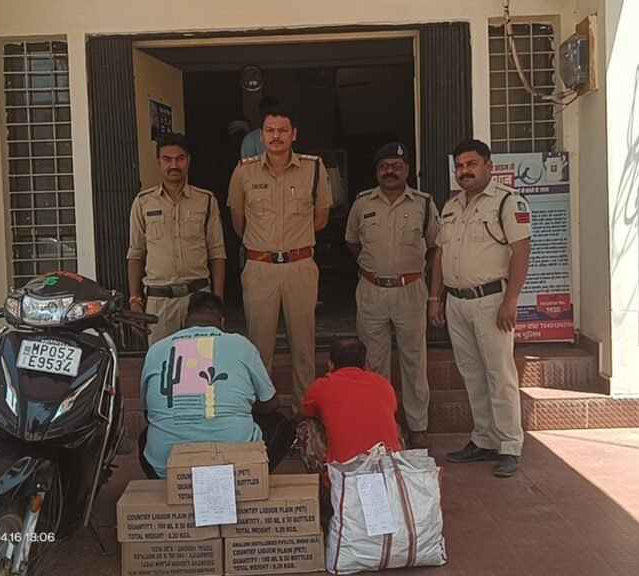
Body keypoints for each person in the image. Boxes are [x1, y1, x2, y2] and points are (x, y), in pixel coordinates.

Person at [428, 139, 532, 478]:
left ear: (489, 166)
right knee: (472, 375)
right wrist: (435, 297)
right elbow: (440, 254)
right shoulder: (452, 205)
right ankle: (484, 439)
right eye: (459, 166)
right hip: (457, 302)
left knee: (500, 375)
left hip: (492, 302)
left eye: (471, 164)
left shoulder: (507, 201)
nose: (464, 171)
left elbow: (521, 251)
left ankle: (509, 445)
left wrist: (511, 300)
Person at [228, 107, 333, 410]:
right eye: (270, 131)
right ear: (261, 136)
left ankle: (304, 414)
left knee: (304, 347)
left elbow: (321, 218)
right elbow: (238, 222)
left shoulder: (313, 168)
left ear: (293, 134)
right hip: (260, 268)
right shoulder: (243, 171)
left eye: (283, 130)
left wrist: (292, 241)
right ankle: (264, 413)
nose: (276, 136)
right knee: (259, 348)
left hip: (300, 266)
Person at [139, 292, 293, 479]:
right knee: (281, 424)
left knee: (147, 437)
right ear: (222, 322)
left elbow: (148, 412)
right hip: (239, 465)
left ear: (186, 320)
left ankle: (170, 487)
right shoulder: (241, 345)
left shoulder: (157, 349)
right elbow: (271, 404)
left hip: (168, 468)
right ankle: (252, 480)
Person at [345, 143, 438, 449]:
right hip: (371, 290)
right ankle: (382, 425)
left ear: (407, 170)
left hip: (410, 290)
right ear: (377, 171)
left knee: (414, 361)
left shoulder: (424, 203)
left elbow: (435, 247)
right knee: (374, 364)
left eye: (396, 166)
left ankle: (417, 426)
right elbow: (353, 242)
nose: (390, 171)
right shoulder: (362, 203)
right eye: (384, 166)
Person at [127, 132, 226, 345]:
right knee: (163, 361)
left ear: (188, 160)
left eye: (180, 158)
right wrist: (135, 300)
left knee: (201, 360)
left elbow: (217, 253)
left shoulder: (206, 201)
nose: (174, 165)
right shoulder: (143, 203)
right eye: (167, 159)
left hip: (199, 300)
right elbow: (135, 254)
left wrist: (217, 301)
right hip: (159, 302)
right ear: (158, 162)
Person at [297, 337, 402, 475]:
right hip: (387, 470)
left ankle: (321, 479)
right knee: (394, 425)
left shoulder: (322, 386)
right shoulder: (383, 383)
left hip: (343, 474)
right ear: (365, 364)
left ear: (330, 365)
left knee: (305, 426)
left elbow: (305, 413)